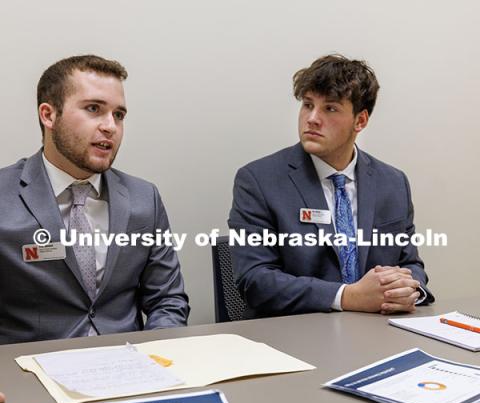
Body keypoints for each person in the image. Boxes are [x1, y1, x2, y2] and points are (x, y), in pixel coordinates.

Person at [0, 55, 189, 344]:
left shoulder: (143, 198)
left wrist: (156, 358)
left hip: (128, 367)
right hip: (28, 373)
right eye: (93, 109)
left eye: (119, 115)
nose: (110, 127)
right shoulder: (4, 195)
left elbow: (168, 300)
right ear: (48, 115)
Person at [228, 54, 434, 319]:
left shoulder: (393, 183)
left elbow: (410, 264)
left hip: (378, 332)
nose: (312, 118)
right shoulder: (259, 180)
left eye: (330, 108)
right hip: (295, 334)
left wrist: (409, 290)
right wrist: (347, 297)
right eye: (307, 105)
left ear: (360, 121)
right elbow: (255, 281)